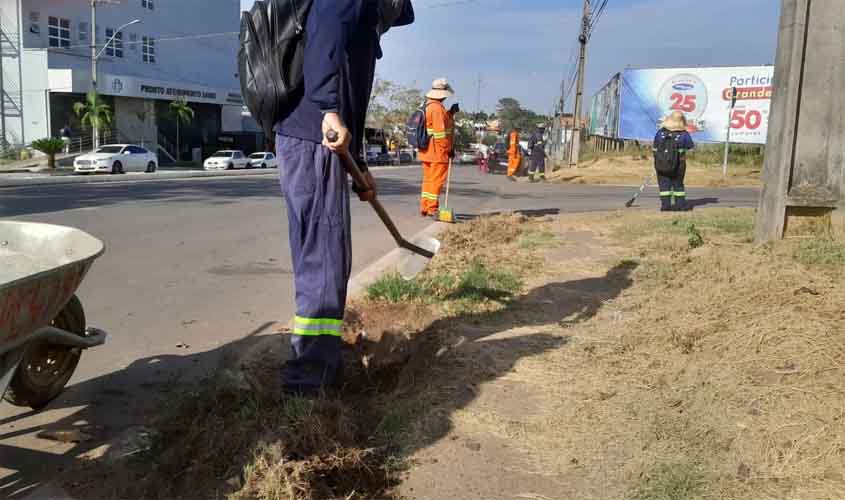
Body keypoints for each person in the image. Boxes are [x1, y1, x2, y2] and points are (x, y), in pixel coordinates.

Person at [274, 0, 414, 393]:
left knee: (327, 261)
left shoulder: (368, 13)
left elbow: (351, 88)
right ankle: (309, 383)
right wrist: (328, 110)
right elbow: (326, 36)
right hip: (313, 137)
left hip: (318, 140)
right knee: (324, 265)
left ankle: (317, 367)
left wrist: (362, 166)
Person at [418, 78, 455, 217]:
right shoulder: (437, 109)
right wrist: (448, 149)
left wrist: (450, 114)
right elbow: (440, 134)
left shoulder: (428, 106)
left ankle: (425, 206)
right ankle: (432, 209)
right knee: (436, 180)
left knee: (428, 180)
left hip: (426, 151)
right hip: (437, 152)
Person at [653, 111, 694, 211]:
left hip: (661, 163)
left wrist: (659, 160)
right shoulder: (684, 134)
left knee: (663, 184)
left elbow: (654, 148)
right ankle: (680, 205)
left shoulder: (660, 133)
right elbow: (690, 146)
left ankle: (665, 206)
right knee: (678, 184)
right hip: (679, 164)